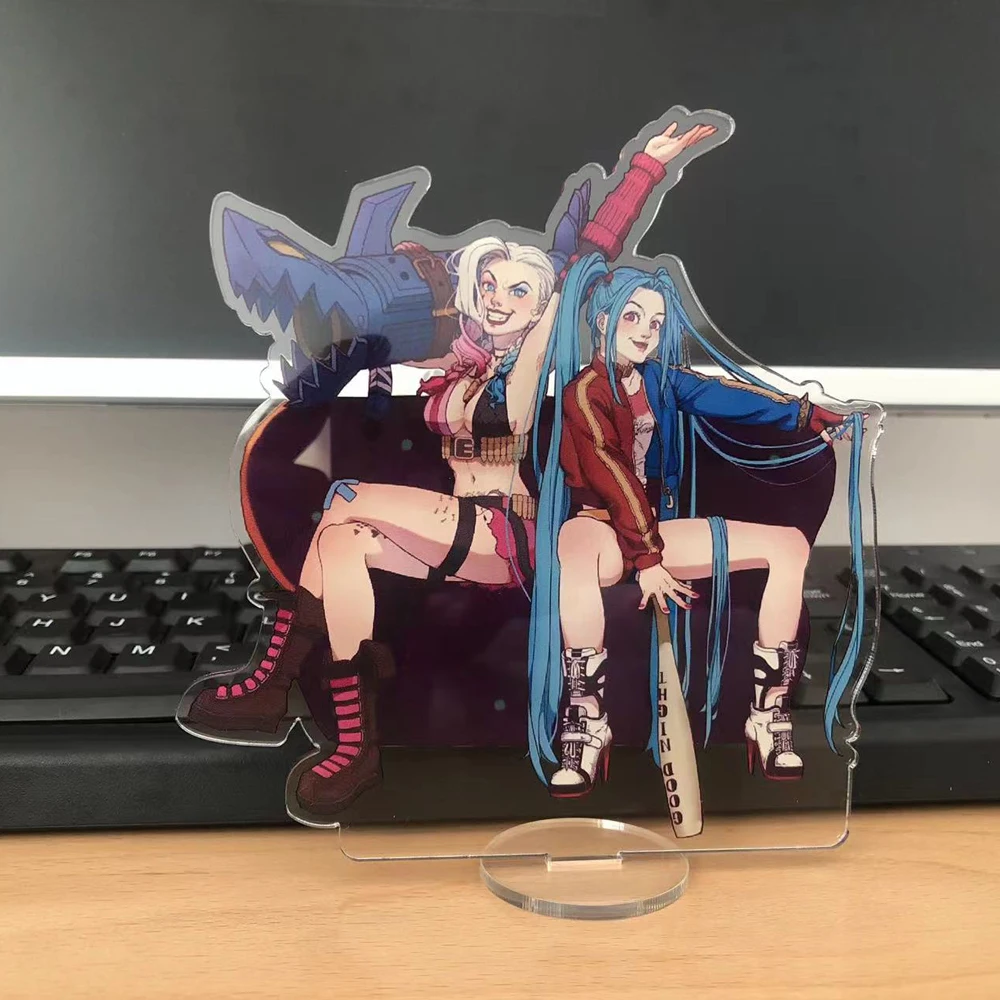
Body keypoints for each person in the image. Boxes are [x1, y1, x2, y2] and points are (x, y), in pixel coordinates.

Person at [185, 120, 719, 818]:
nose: (499, 298)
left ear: (542, 307)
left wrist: (645, 167)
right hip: (456, 536)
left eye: (518, 292)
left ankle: (272, 680)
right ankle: (355, 748)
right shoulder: (462, 362)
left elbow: (587, 257)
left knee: (346, 500)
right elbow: (367, 337)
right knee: (341, 542)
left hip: (509, 536)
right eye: (490, 285)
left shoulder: (537, 359)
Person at [526, 257, 865, 798]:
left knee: (789, 547)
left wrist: (806, 415)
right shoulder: (583, 393)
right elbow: (610, 473)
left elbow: (726, 396)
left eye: (656, 323)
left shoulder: (659, 381)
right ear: (603, 320)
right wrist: (648, 560)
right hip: (604, 528)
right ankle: (585, 722)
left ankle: (769, 714)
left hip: (654, 531)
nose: (645, 332)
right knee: (575, 544)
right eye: (633, 317)